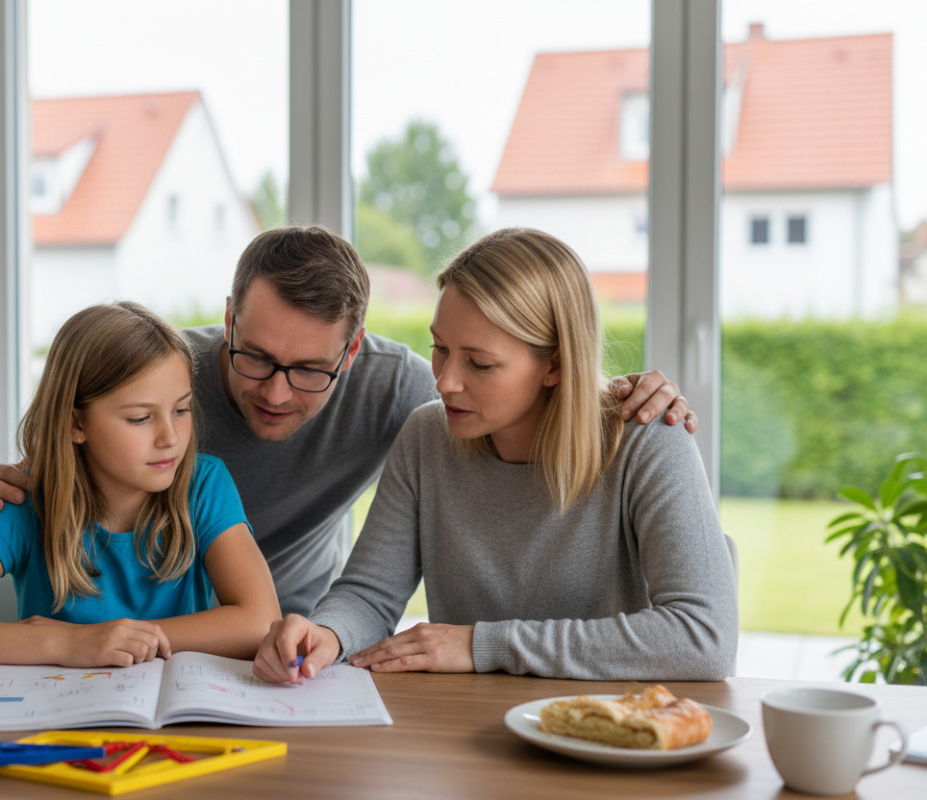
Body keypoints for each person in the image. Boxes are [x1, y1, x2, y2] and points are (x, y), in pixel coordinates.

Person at [0, 226, 696, 617]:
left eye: (310, 370)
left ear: (353, 351)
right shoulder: (165, 377)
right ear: (227, 320)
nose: (276, 393)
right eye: (252, 356)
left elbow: (524, 383)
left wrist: (613, 393)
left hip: (280, 632)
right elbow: (78, 426)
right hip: (103, 631)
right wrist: (29, 477)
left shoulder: (407, 392)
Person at [252, 228, 737, 684]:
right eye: (439, 348)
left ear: (556, 364)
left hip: (610, 729)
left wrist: (483, 645)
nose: (444, 382)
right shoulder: (427, 436)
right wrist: (327, 633)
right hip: (472, 730)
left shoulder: (649, 440)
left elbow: (704, 636)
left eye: (480, 363)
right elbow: (369, 595)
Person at [0, 302, 280, 667]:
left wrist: (118, 640)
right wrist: (69, 645)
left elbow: (261, 622)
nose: (170, 438)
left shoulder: (204, 485)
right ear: (76, 424)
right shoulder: (26, 499)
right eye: (140, 418)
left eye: (181, 410)